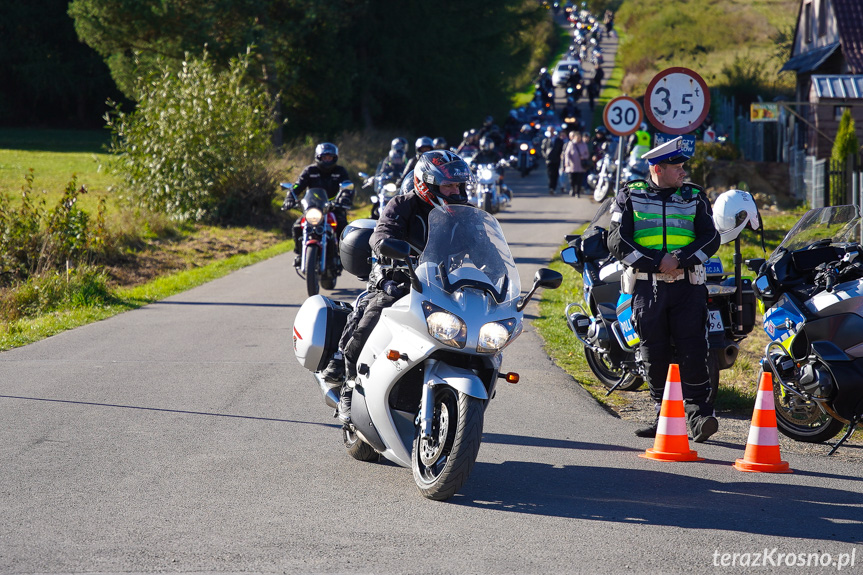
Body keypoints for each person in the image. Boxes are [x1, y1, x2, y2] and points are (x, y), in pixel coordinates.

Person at [322, 150, 475, 423]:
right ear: (426, 184)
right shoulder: (402, 205)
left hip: (444, 285)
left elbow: (483, 248)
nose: (456, 191)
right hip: (397, 278)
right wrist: (387, 248)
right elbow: (382, 235)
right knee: (371, 318)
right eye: (448, 185)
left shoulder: (466, 213)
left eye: (459, 185)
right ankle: (348, 386)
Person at [606, 136, 721, 442]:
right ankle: (663, 415)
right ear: (658, 169)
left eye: (683, 166)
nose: (683, 172)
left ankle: (699, 418)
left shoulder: (695, 196)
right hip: (647, 289)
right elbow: (617, 241)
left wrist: (680, 259)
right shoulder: (630, 196)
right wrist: (658, 261)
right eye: (677, 167)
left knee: (694, 350)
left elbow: (711, 239)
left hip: (688, 288)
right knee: (653, 354)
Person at [283, 142, 353, 263]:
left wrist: (344, 199)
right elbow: (296, 186)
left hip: (333, 208)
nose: (327, 160)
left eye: (329, 157)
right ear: (318, 157)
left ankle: (344, 257)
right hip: (314, 208)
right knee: (297, 226)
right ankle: (300, 254)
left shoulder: (340, 171)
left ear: (334, 158)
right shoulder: (310, 170)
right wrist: (290, 197)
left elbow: (348, 187)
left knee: (343, 227)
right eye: (324, 157)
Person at [562, 130, 590, 197]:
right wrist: (567, 162)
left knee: (579, 180)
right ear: (574, 138)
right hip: (572, 165)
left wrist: (583, 157)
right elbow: (567, 154)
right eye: (577, 137)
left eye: (579, 137)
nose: (578, 139)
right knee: (572, 179)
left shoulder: (584, 144)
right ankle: (573, 189)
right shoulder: (571, 144)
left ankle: (577, 192)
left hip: (580, 166)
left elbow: (587, 154)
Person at [542, 127, 565, 195]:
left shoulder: (559, 140)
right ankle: (551, 188)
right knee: (550, 174)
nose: (551, 132)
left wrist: (561, 156)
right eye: (549, 131)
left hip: (557, 160)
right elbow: (543, 150)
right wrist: (546, 157)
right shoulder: (545, 140)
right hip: (549, 160)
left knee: (555, 174)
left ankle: (554, 188)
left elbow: (562, 149)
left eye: (552, 130)